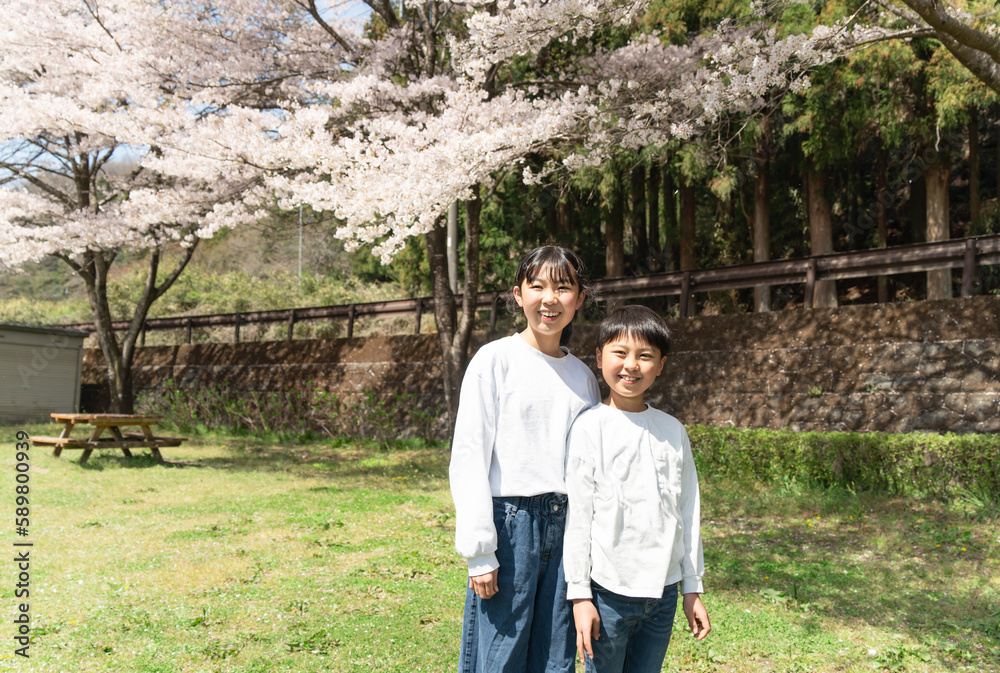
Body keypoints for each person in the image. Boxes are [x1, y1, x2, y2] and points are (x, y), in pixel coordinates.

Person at [449, 245, 601, 673]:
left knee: (556, 656)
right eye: (537, 286)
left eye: (563, 287)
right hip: (511, 527)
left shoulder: (584, 378)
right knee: (500, 656)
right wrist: (480, 552)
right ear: (518, 295)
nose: (549, 299)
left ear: (580, 299)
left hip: (566, 523)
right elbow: (469, 455)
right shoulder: (495, 361)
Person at [563, 304, 710, 673]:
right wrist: (580, 595)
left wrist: (691, 586)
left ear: (660, 365)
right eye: (620, 353)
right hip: (608, 593)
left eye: (645, 356)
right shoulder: (589, 428)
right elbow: (579, 517)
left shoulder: (673, 431)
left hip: (662, 596)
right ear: (599, 358)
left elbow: (688, 512)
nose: (631, 365)